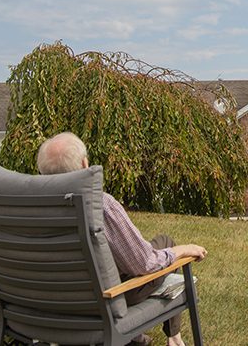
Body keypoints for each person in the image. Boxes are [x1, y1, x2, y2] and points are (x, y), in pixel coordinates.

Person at [36, 132, 206, 346]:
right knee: (166, 243)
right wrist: (183, 250)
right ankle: (173, 337)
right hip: (107, 299)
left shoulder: (29, 208)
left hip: (48, 304)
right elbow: (144, 263)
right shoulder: (99, 204)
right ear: (85, 163)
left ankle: (144, 338)